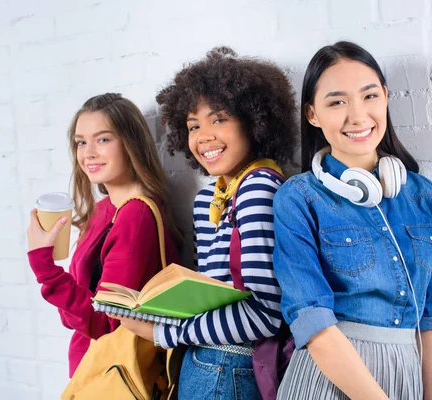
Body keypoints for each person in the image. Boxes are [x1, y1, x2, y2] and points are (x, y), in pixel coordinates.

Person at [113, 47, 298, 400]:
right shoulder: (211, 197)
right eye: (193, 125)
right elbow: (213, 297)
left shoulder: (257, 188)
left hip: (228, 367)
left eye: (218, 119)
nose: (203, 136)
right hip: (205, 361)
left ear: (254, 121)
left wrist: (163, 333)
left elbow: (265, 315)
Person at [272, 41, 432, 400]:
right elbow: (313, 320)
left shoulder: (426, 199)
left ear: (385, 96)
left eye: (369, 96)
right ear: (312, 114)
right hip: (327, 378)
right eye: (337, 102)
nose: (357, 116)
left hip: (405, 375)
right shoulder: (298, 198)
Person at [26, 93, 181, 377]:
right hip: (90, 372)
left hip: (114, 376)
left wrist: (45, 268)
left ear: (131, 143)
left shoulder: (136, 216)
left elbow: (105, 323)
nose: (88, 153)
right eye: (81, 142)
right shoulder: (102, 211)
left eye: (103, 139)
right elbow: (72, 316)